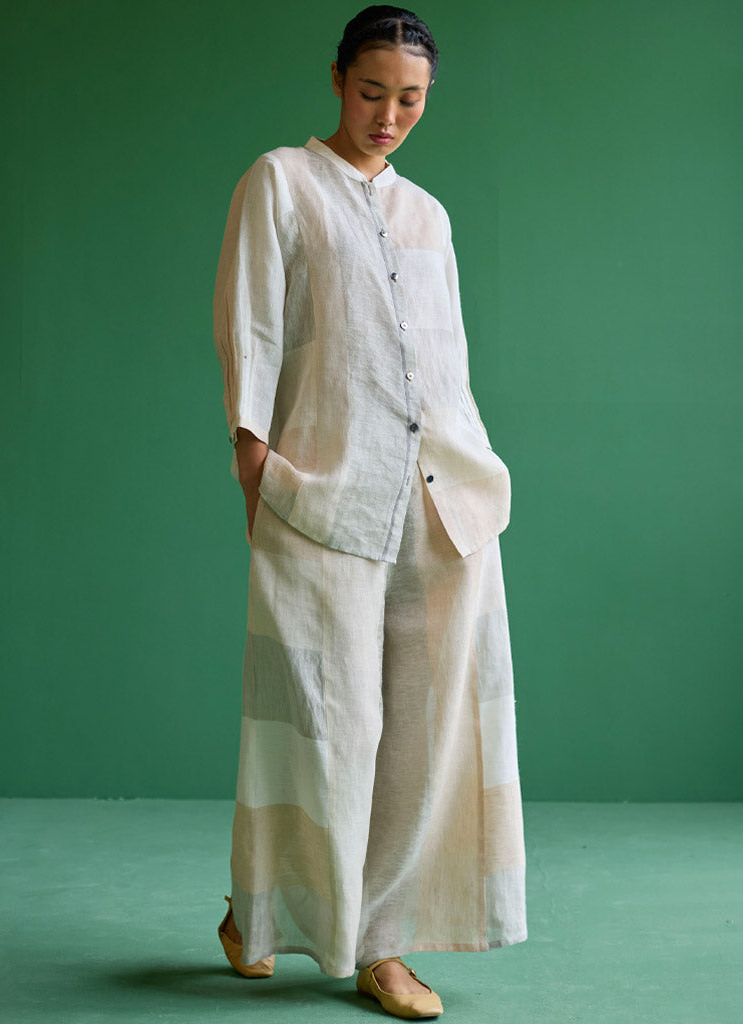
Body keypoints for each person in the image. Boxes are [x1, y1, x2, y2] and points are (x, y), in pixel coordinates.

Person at [212, 6, 527, 1018]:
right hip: (322, 496)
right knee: (318, 726)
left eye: (411, 99)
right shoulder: (280, 182)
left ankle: (384, 945)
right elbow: (253, 327)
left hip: (442, 506)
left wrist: (475, 470)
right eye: (372, 91)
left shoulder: (429, 216)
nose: (389, 114)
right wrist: (254, 465)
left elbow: (449, 362)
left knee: (421, 738)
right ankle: (256, 909)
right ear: (337, 78)